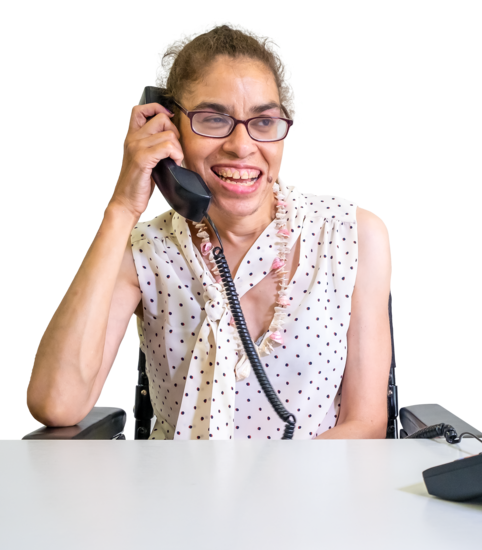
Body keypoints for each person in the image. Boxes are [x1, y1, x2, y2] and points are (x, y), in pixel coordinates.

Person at [25, 22, 393, 440]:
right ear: (169, 127)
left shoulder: (352, 234)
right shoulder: (145, 249)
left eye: (264, 121)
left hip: (307, 498)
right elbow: (56, 402)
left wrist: (260, 498)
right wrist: (122, 207)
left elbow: (366, 424)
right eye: (214, 119)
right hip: (175, 498)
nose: (241, 146)